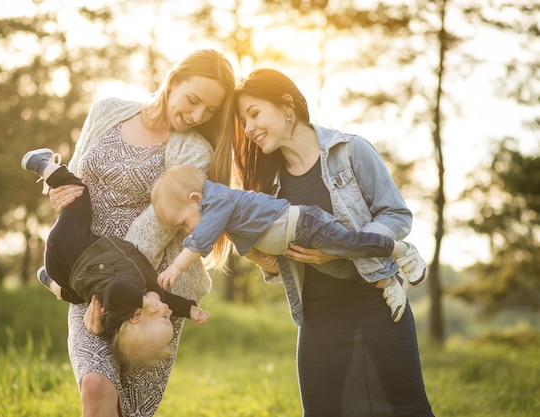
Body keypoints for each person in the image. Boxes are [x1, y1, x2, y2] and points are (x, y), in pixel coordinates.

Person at [41, 49, 236, 417]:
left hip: (150, 292)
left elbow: (156, 227)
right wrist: (58, 192)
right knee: (96, 387)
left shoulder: (194, 150)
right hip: (87, 271)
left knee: (128, 409)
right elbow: (77, 180)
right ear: (173, 80)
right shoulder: (106, 110)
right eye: (193, 101)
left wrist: (119, 298)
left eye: (209, 112)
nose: (197, 116)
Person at [233, 68, 435, 416]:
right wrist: (261, 256)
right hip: (319, 315)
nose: (248, 128)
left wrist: (345, 248)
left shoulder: (350, 150)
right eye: (243, 120)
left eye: (254, 114)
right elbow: (259, 244)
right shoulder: (270, 186)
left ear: (286, 107)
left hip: (378, 302)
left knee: (407, 408)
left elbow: (397, 216)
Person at [151, 164, 427, 322]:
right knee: (339, 267)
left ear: (195, 199)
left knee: (350, 244)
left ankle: (400, 250)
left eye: (184, 224)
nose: (188, 232)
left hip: (305, 225)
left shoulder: (218, 201)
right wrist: (259, 259)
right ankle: (387, 282)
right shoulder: (221, 212)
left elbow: (199, 241)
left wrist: (176, 268)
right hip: (298, 241)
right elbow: (243, 242)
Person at [21, 148, 210, 368]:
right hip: (66, 273)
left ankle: (41, 164)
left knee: (79, 193)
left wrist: (142, 300)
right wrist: (190, 310)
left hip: (71, 245)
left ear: (137, 316)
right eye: (170, 317)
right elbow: (171, 302)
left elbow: (117, 289)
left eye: (163, 317)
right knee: (78, 295)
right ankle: (49, 281)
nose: (168, 312)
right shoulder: (154, 295)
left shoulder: (120, 302)